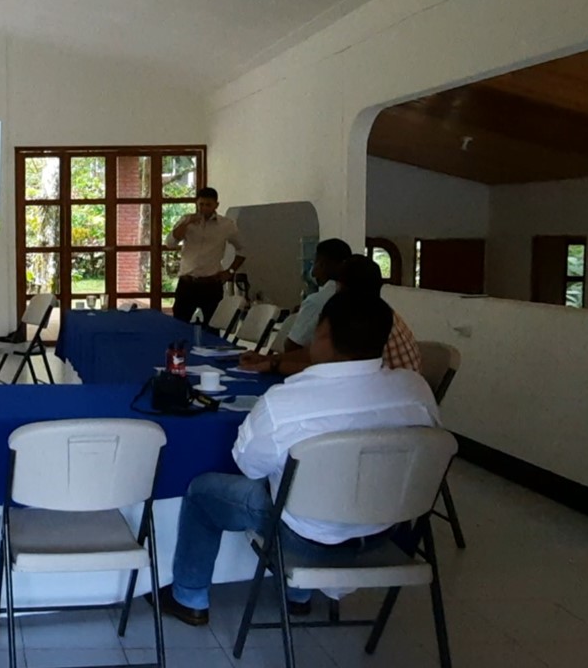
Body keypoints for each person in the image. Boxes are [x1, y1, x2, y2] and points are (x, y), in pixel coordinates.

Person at [154, 292, 441, 626]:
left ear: (322, 334)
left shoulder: (287, 401)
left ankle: (189, 597)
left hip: (305, 543)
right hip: (385, 535)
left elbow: (248, 466)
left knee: (204, 491)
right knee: (300, 490)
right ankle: (297, 596)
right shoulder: (416, 390)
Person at [242, 253, 422, 374]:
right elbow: (315, 354)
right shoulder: (379, 312)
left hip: (375, 396)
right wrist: (270, 358)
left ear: (341, 286)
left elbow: (329, 368)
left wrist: (274, 364)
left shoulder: (359, 319)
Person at [165, 187, 247, 325]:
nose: (204, 208)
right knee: (179, 324)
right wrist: (187, 223)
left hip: (211, 284)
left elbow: (243, 249)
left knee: (213, 327)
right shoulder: (186, 221)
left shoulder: (226, 225)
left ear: (216, 205)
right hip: (187, 283)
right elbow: (170, 243)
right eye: (201, 204)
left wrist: (230, 271)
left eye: (208, 205)